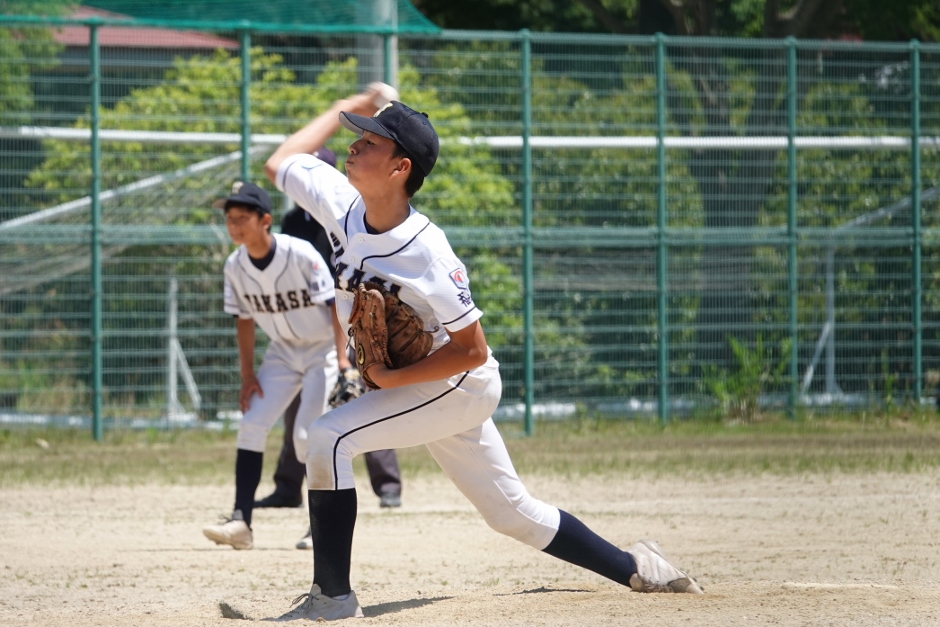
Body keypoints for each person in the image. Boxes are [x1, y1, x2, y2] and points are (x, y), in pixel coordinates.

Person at [262, 86, 704, 620]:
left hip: (455, 386)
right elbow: (281, 161)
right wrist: (358, 99)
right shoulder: (341, 203)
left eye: (370, 142)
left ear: (401, 168)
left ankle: (332, 598)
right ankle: (640, 567)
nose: (354, 146)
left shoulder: (427, 253)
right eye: (358, 136)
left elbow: (472, 350)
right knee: (511, 513)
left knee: (329, 436)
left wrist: (388, 378)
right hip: (424, 385)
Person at [254, 147, 404, 551]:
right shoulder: (294, 220)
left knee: (367, 392)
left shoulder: (353, 211)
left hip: (354, 314)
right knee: (299, 407)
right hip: (313, 319)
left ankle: (388, 484)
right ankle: (288, 486)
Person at [201, 180, 350, 551]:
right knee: (251, 423)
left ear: (265, 220)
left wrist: (343, 359)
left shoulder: (300, 254)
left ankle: (321, 526)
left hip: (322, 350)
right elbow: (244, 321)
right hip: (282, 352)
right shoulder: (235, 266)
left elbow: (334, 305)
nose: (234, 225)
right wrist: (247, 375)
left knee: (306, 436)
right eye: (229, 219)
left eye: (242, 218)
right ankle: (241, 522)